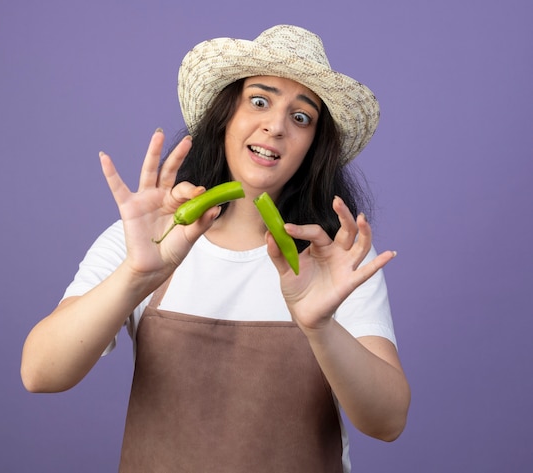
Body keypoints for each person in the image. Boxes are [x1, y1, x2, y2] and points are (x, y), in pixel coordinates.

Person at [21, 24, 410, 472]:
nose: (276, 126)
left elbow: (388, 421)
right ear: (225, 114)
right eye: (259, 100)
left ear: (313, 146)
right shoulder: (147, 237)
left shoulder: (336, 260)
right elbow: (39, 373)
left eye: (301, 117)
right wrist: (137, 275)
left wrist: (320, 325)